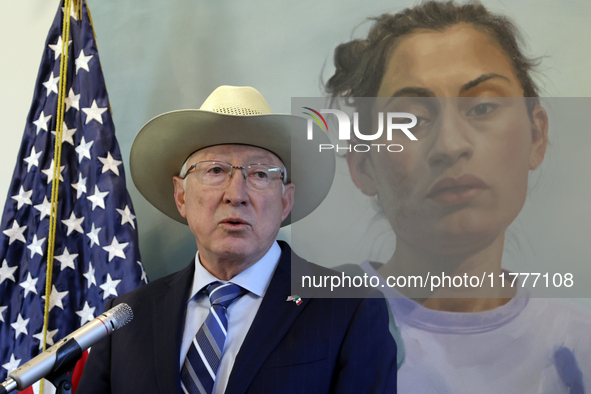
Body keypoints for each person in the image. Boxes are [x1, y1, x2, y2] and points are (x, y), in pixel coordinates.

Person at [325, 1, 591, 393]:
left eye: (482, 107)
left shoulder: (578, 347)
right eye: (411, 119)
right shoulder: (308, 335)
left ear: (536, 135)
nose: (450, 145)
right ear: (363, 164)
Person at [76, 86, 397, 394]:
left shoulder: (349, 308)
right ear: (181, 195)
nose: (236, 195)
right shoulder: (126, 317)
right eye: (216, 170)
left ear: (286, 201)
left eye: (259, 174)